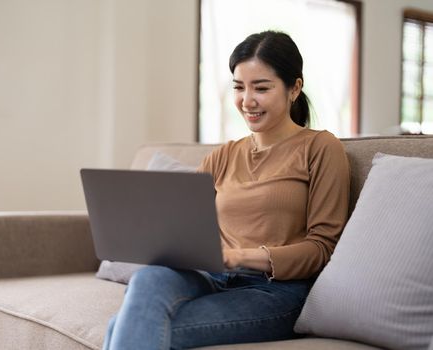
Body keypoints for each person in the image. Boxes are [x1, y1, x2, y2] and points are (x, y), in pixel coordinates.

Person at [103, 31, 350, 350]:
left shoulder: (320, 148)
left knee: (126, 326)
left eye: (261, 88)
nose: (247, 101)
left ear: (295, 88)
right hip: (210, 277)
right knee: (148, 279)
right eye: (239, 87)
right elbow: (180, 221)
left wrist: (239, 257)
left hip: (274, 292)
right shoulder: (224, 155)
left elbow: (322, 249)